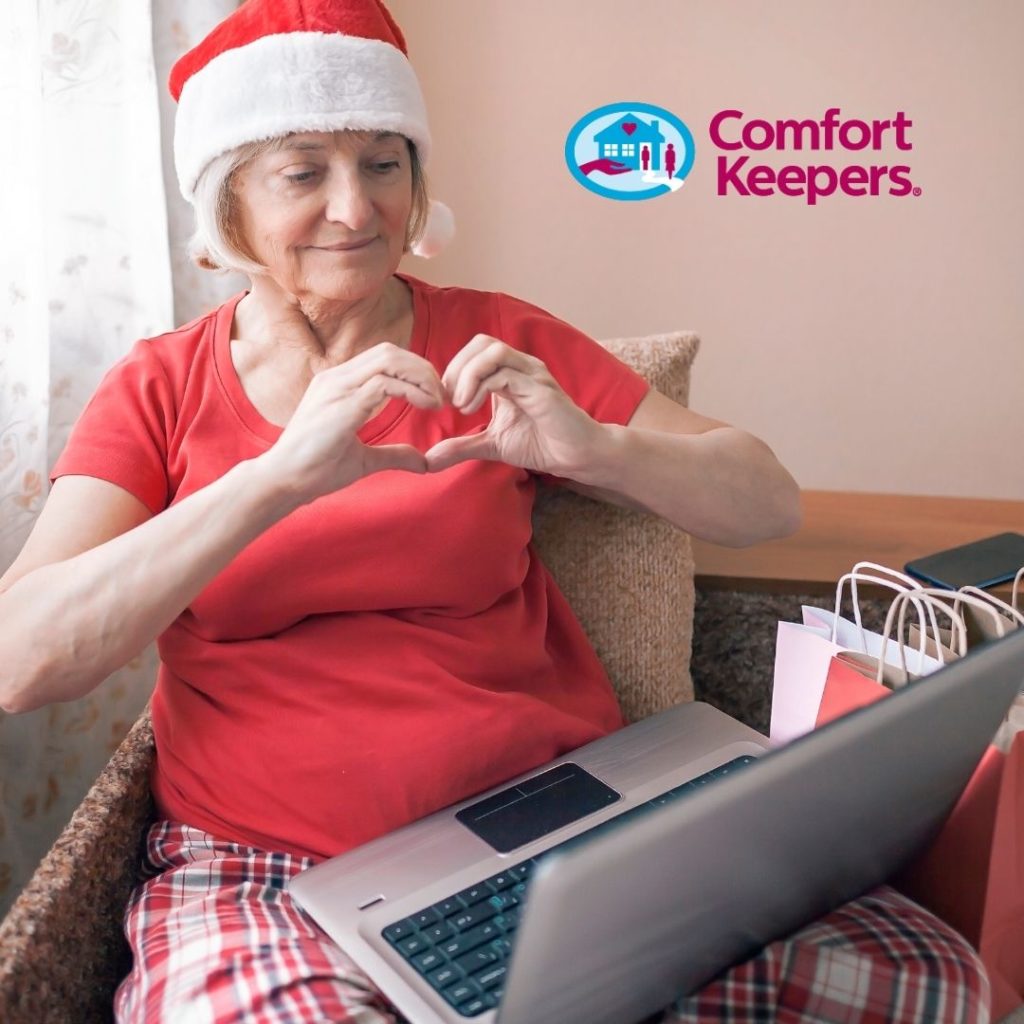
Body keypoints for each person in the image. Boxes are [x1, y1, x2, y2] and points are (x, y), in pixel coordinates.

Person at [0, 1, 988, 1022]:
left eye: (384, 163)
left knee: (925, 976)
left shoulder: (497, 342)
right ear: (228, 207)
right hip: (266, 869)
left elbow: (764, 501)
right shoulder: (158, 387)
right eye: (304, 172)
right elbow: (22, 660)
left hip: (560, 839)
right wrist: (274, 480)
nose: (355, 209)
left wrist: (596, 448)